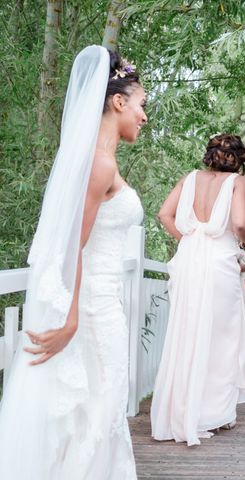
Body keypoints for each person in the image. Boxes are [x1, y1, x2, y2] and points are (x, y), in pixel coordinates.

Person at [0, 46, 146, 479]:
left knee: (99, 410)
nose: (144, 116)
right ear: (118, 102)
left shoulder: (100, 161)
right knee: (97, 411)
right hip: (92, 309)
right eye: (140, 105)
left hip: (101, 303)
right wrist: (70, 320)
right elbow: (71, 248)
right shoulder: (99, 166)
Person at [150, 134, 245, 446]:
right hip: (220, 261)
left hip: (188, 261)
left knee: (186, 333)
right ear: (237, 159)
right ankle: (214, 413)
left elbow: (164, 215)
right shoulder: (237, 183)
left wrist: (188, 240)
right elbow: (239, 223)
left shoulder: (189, 178)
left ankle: (184, 409)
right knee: (222, 338)